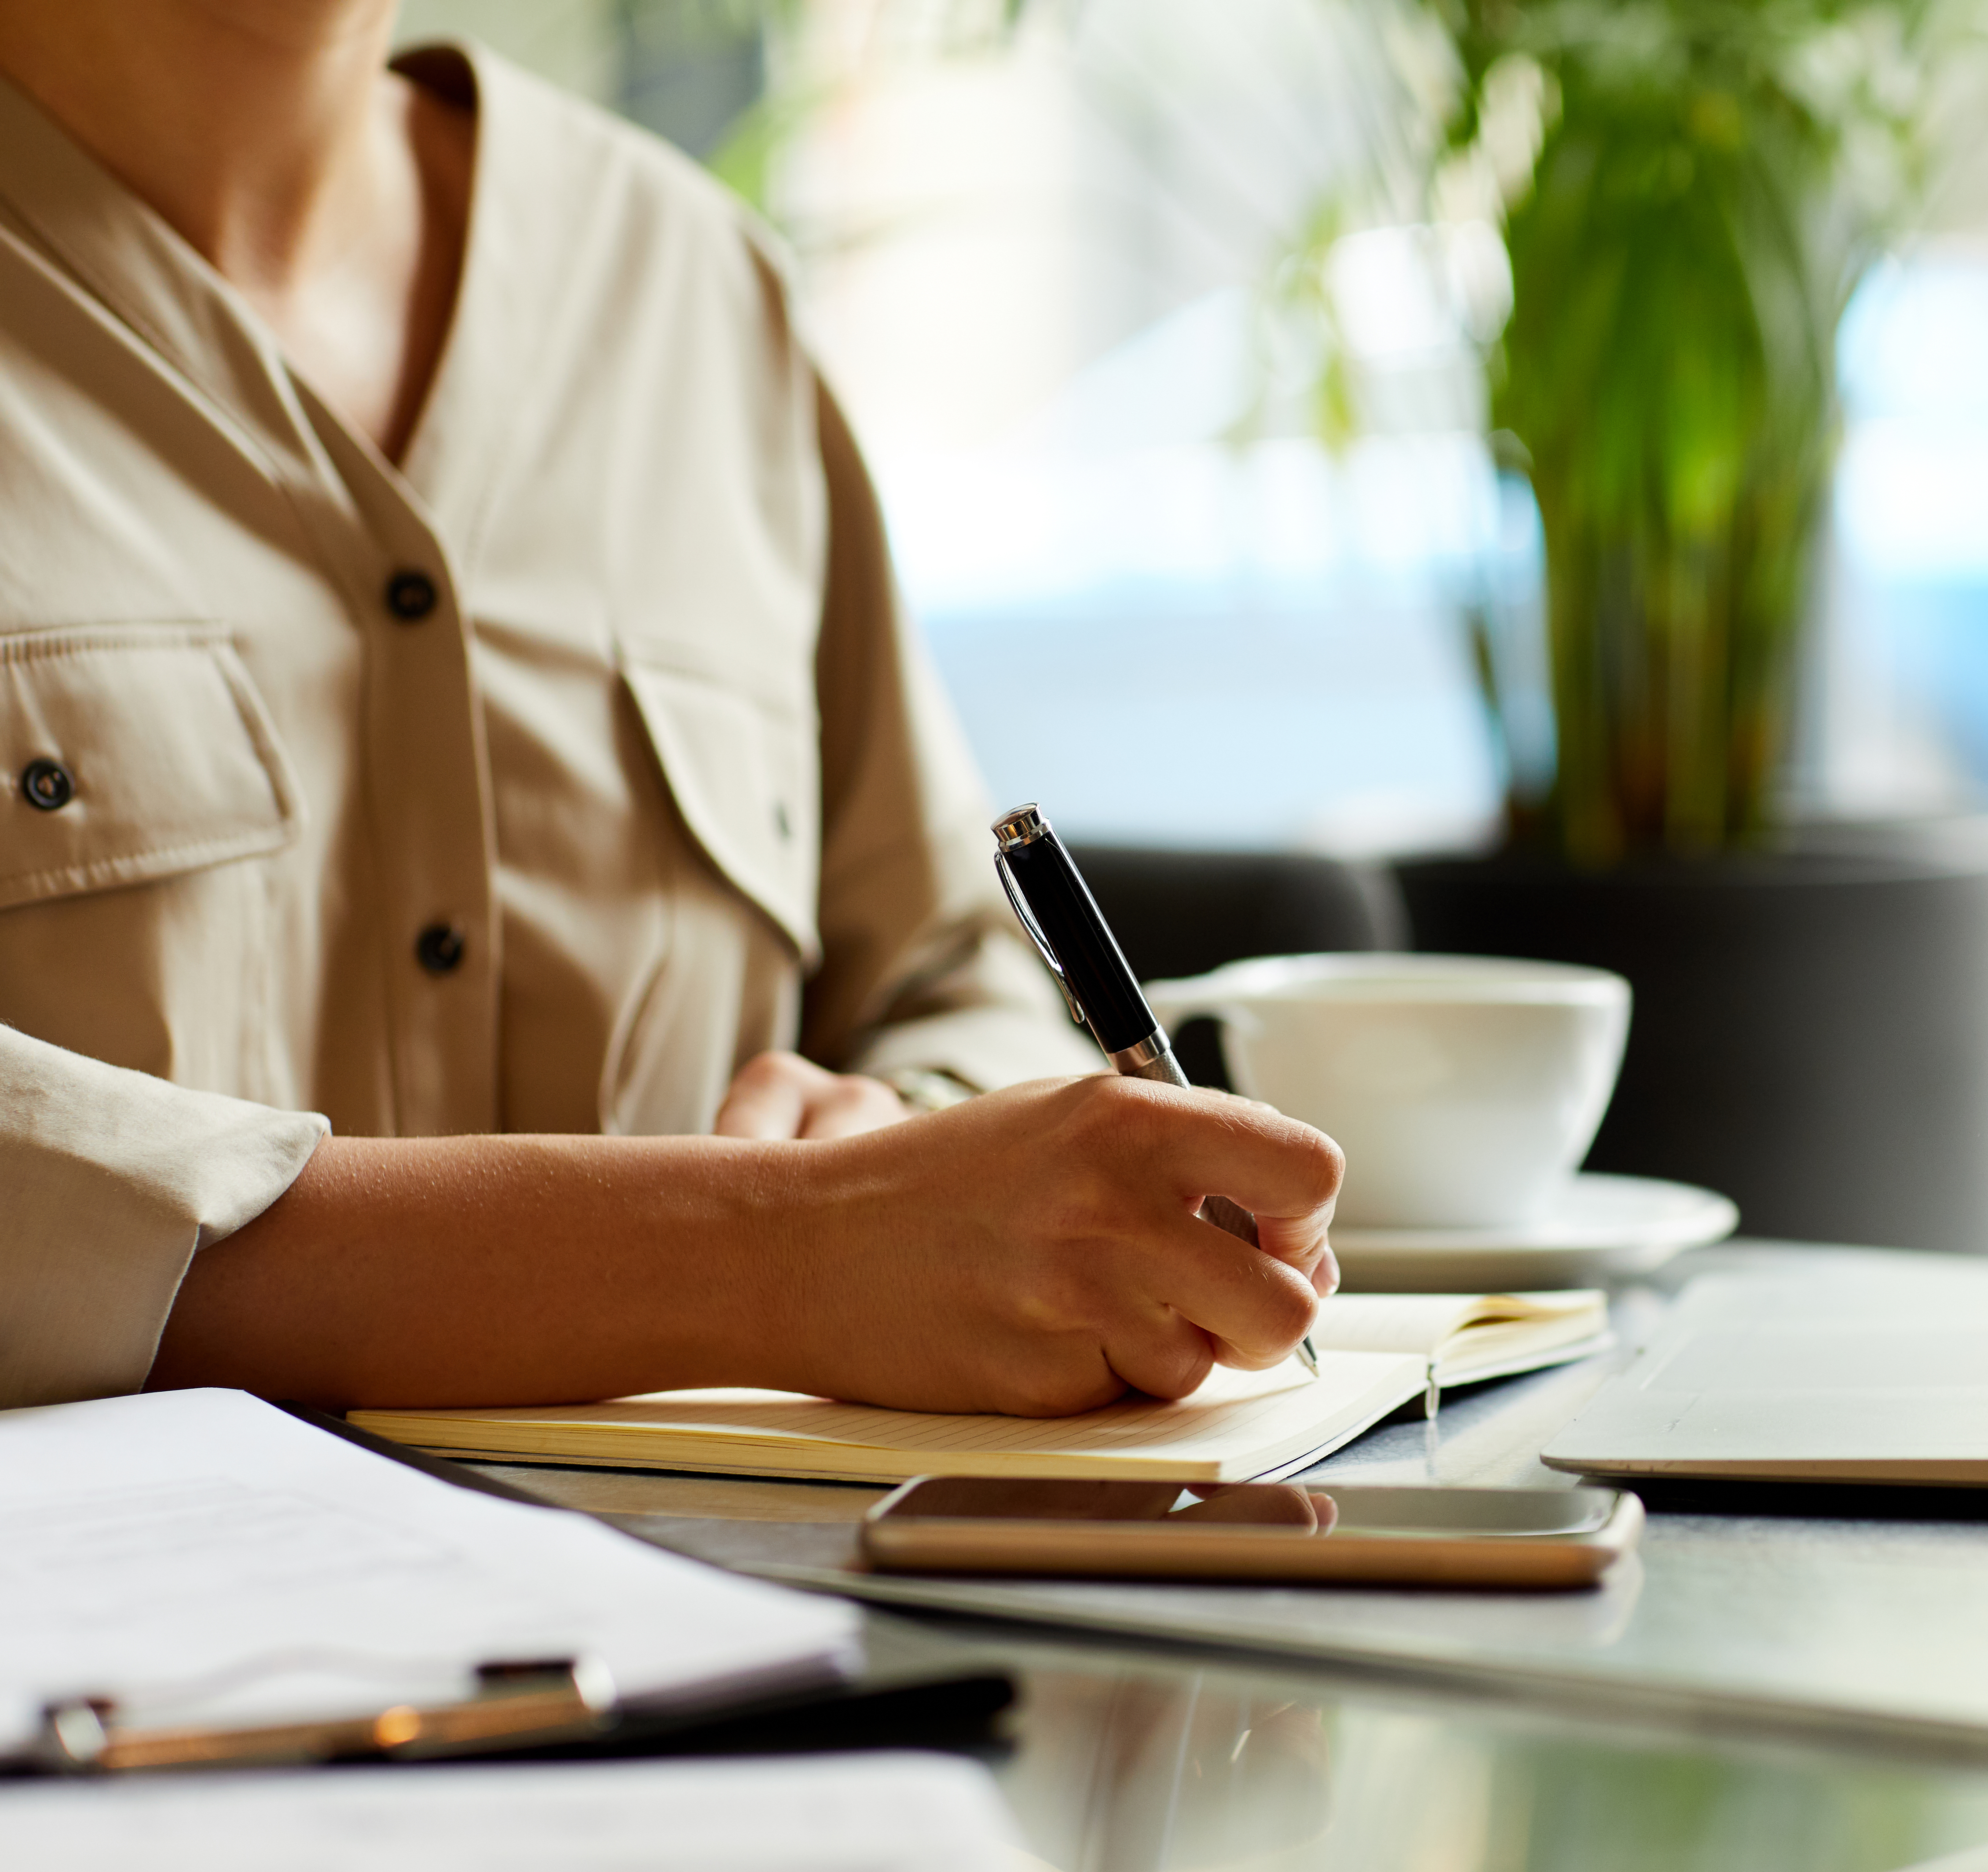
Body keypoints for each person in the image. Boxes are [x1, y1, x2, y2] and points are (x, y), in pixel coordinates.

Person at [0, 1, 1341, 1418]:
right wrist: (774, 1253)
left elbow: (950, 977)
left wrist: (904, 1136)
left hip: (771, 1613)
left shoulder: (696, 294)